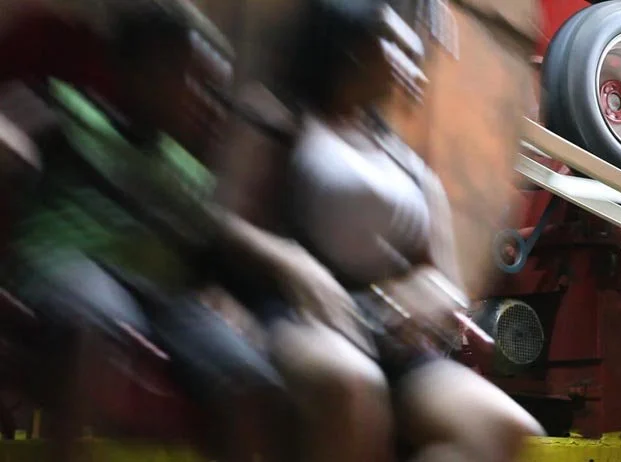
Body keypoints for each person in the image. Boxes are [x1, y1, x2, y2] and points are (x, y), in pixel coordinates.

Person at [212, 1, 545, 461]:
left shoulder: (404, 160)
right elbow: (224, 219)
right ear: (350, 46)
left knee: (504, 427)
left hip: (393, 338)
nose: (409, 54)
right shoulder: (286, 116)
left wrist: (431, 298)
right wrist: (294, 264)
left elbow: (442, 275)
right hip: (306, 314)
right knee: (352, 383)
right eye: (390, 42)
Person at [0, 1, 290, 460]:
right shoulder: (69, 111)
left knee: (248, 377)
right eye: (189, 80)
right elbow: (12, 129)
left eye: (213, 89)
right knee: (99, 323)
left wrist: (224, 295)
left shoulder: (188, 171)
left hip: (162, 297)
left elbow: (205, 254)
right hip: (69, 264)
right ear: (134, 71)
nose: (207, 102)